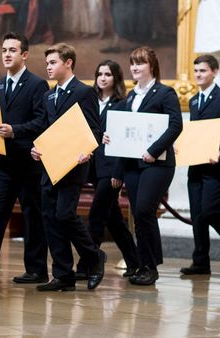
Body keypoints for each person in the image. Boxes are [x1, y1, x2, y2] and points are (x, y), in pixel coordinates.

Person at [104, 47, 183, 285]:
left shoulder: (165, 93)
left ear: (152, 66)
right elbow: (122, 136)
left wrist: (153, 150)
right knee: (138, 214)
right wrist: (111, 144)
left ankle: (151, 265)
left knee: (145, 210)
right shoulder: (129, 97)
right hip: (132, 166)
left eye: (140, 63)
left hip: (157, 164)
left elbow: (175, 126)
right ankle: (143, 264)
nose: (135, 68)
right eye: (132, 63)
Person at [30, 43, 105, 292]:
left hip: (74, 165)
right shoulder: (48, 95)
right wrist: (35, 148)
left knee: (65, 215)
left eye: (53, 62)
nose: (48, 67)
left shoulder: (84, 92)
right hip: (50, 165)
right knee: (51, 219)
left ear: (68, 62)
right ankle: (63, 275)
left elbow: (95, 128)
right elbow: (44, 129)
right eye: (47, 63)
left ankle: (94, 257)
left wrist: (88, 151)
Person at [0, 32, 49, 284]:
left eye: (12, 50)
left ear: (24, 54)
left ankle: (36, 270)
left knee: (32, 216)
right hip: (3, 163)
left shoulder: (37, 84)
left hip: (28, 164)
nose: (7, 54)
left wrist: (15, 131)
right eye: (4, 50)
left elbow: (42, 121)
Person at [180, 55, 220, 276]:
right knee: (197, 215)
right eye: (196, 71)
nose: (198, 75)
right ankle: (201, 261)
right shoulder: (194, 101)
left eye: (202, 71)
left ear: (214, 71)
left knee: (211, 210)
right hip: (196, 166)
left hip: (217, 167)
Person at [86, 60, 139, 278]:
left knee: (97, 214)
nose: (103, 78)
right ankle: (135, 261)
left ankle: (88, 264)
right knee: (113, 219)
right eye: (100, 74)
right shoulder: (90, 100)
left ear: (115, 78)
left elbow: (124, 141)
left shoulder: (122, 104)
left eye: (108, 74)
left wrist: (119, 172)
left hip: (112, 168)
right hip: (93, 167)